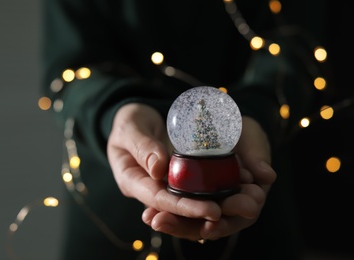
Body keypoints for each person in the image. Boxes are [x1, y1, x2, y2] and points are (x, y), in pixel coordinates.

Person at [41, 0, 323, 259]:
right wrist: (115, 110)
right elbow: (68, 70)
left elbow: (298, 45)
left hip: (256, 220)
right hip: (109, 224)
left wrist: (259, 109)